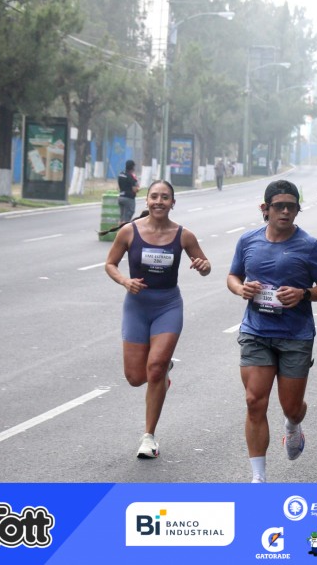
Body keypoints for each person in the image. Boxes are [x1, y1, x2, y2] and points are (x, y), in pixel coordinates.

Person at [227, 180, 317, 483]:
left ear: (298, 209)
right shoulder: (248, 241)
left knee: (291, 407)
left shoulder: (309, 245)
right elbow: (233, 276)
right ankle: (258, 478)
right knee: (254, 401)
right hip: (256, 331)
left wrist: (304, 294)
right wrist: (241, 289)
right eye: (279, 206)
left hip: (295, 335)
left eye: (291, 206)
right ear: (266, 208)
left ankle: (293, 425)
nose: (285, 212)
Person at [104, 180, 212, 459]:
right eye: (154, 197)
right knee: (135, 377)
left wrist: (203, 265)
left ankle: (148, 437)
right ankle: (163, 371)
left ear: (173, 203)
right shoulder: (129, 231)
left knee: (154, 369)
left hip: (168, 306)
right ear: (147, 200)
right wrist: (124, 281)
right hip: (137, 307)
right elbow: (110, 264)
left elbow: (206, 267)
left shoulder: (184, 235)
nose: (159, 202)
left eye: (165, 197)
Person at [117, 160, 140, 225]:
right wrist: (138, 189)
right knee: (126, 219)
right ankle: (124, 230)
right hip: (129, 198)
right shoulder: (131, 176)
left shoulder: (121, 174)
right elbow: (134, 189)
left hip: (121, 197)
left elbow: (118, 187)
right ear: (133, 167)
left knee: (121, 218)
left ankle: (119, 230)